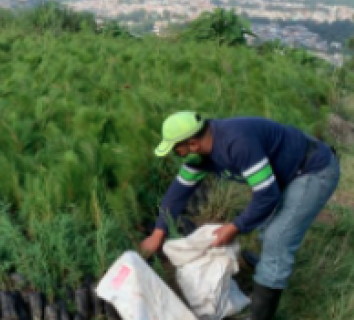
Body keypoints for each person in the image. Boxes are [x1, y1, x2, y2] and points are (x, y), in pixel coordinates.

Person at [140, 112, 340, 320]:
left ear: (192, 144)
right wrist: (158, 233)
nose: (176, 154)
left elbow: (266, 195)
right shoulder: (200, 157)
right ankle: (267, 268)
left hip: (313, 169)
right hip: (285, 171)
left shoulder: (237, 144)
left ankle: (261, 313)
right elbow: (177, 194)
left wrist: (235, 227)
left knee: (277, 238)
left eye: (176, 149)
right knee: (266, 228)